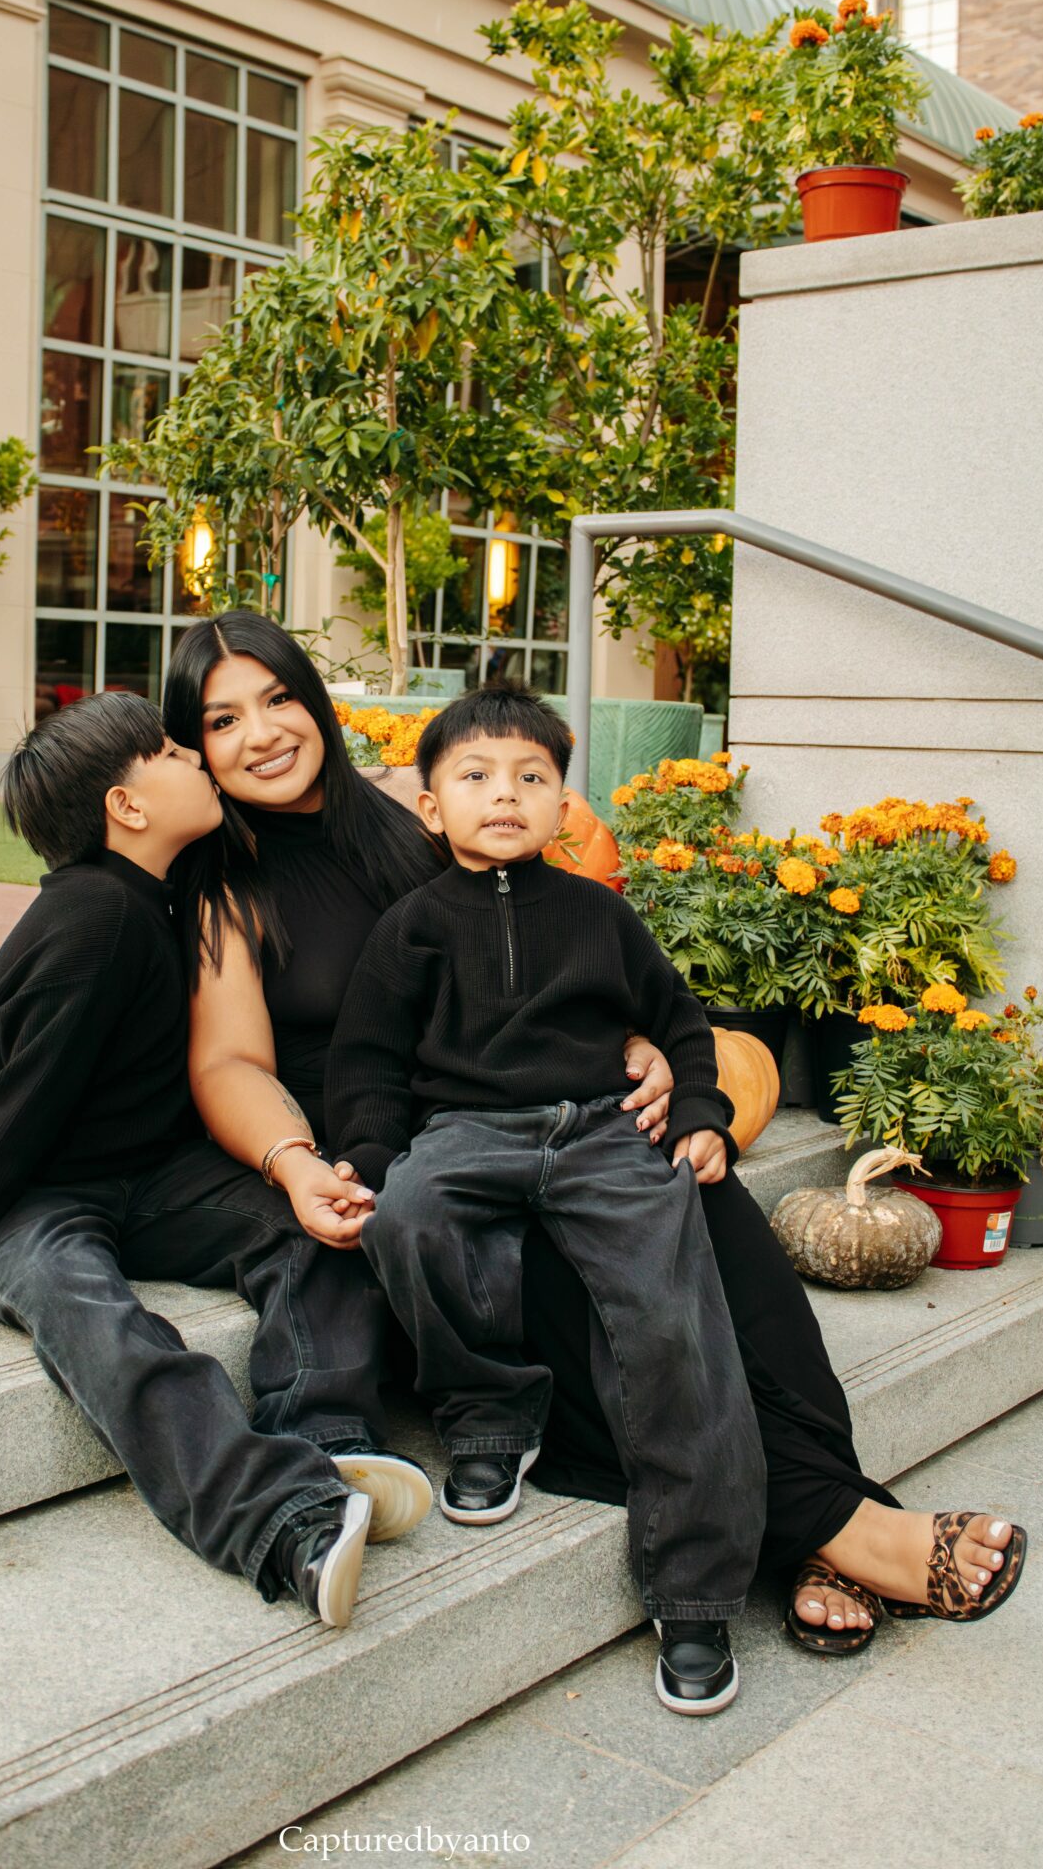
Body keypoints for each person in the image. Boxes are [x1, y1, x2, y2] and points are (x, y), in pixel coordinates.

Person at [169, 612, 1026, 1652]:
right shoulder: (222, 886)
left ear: (314, 698)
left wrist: (648, 1047)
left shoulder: (417, 808)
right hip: (423, 1157)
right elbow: (229, 1065)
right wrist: (308, 1163)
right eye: (222, 717)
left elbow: (556, 949)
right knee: (617, 1320)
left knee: (721, 1230)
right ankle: (837, 1528)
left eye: (278, 696)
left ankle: (829, 1507)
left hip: (565, 1120)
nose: (261, 730)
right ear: (194, 742)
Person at [0, 692, 431, 1628]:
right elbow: (11, 1110)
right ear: (127, 806)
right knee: (97, 1318)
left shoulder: (165, 892)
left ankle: (325, 1434)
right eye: (168, 749)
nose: (198, 755)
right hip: (25, 1194)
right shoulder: (93, 920)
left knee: (316, 1227)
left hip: (148, 1178)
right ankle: (282, 1521)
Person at [325, 682, 767, 1714]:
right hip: (463, 1134)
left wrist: (698, 1109)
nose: (505, 795)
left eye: (532, 776)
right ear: (430, 806)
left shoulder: (602, 915)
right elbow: (367, 1059)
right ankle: (487, 1416)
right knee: (408, 1215)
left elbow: (679, 1018)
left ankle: (694, 1588)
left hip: (602, 1129)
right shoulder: (411, 927)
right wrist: (367, 1153)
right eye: (474, 777)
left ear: (566, 804)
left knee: (670, 1313)